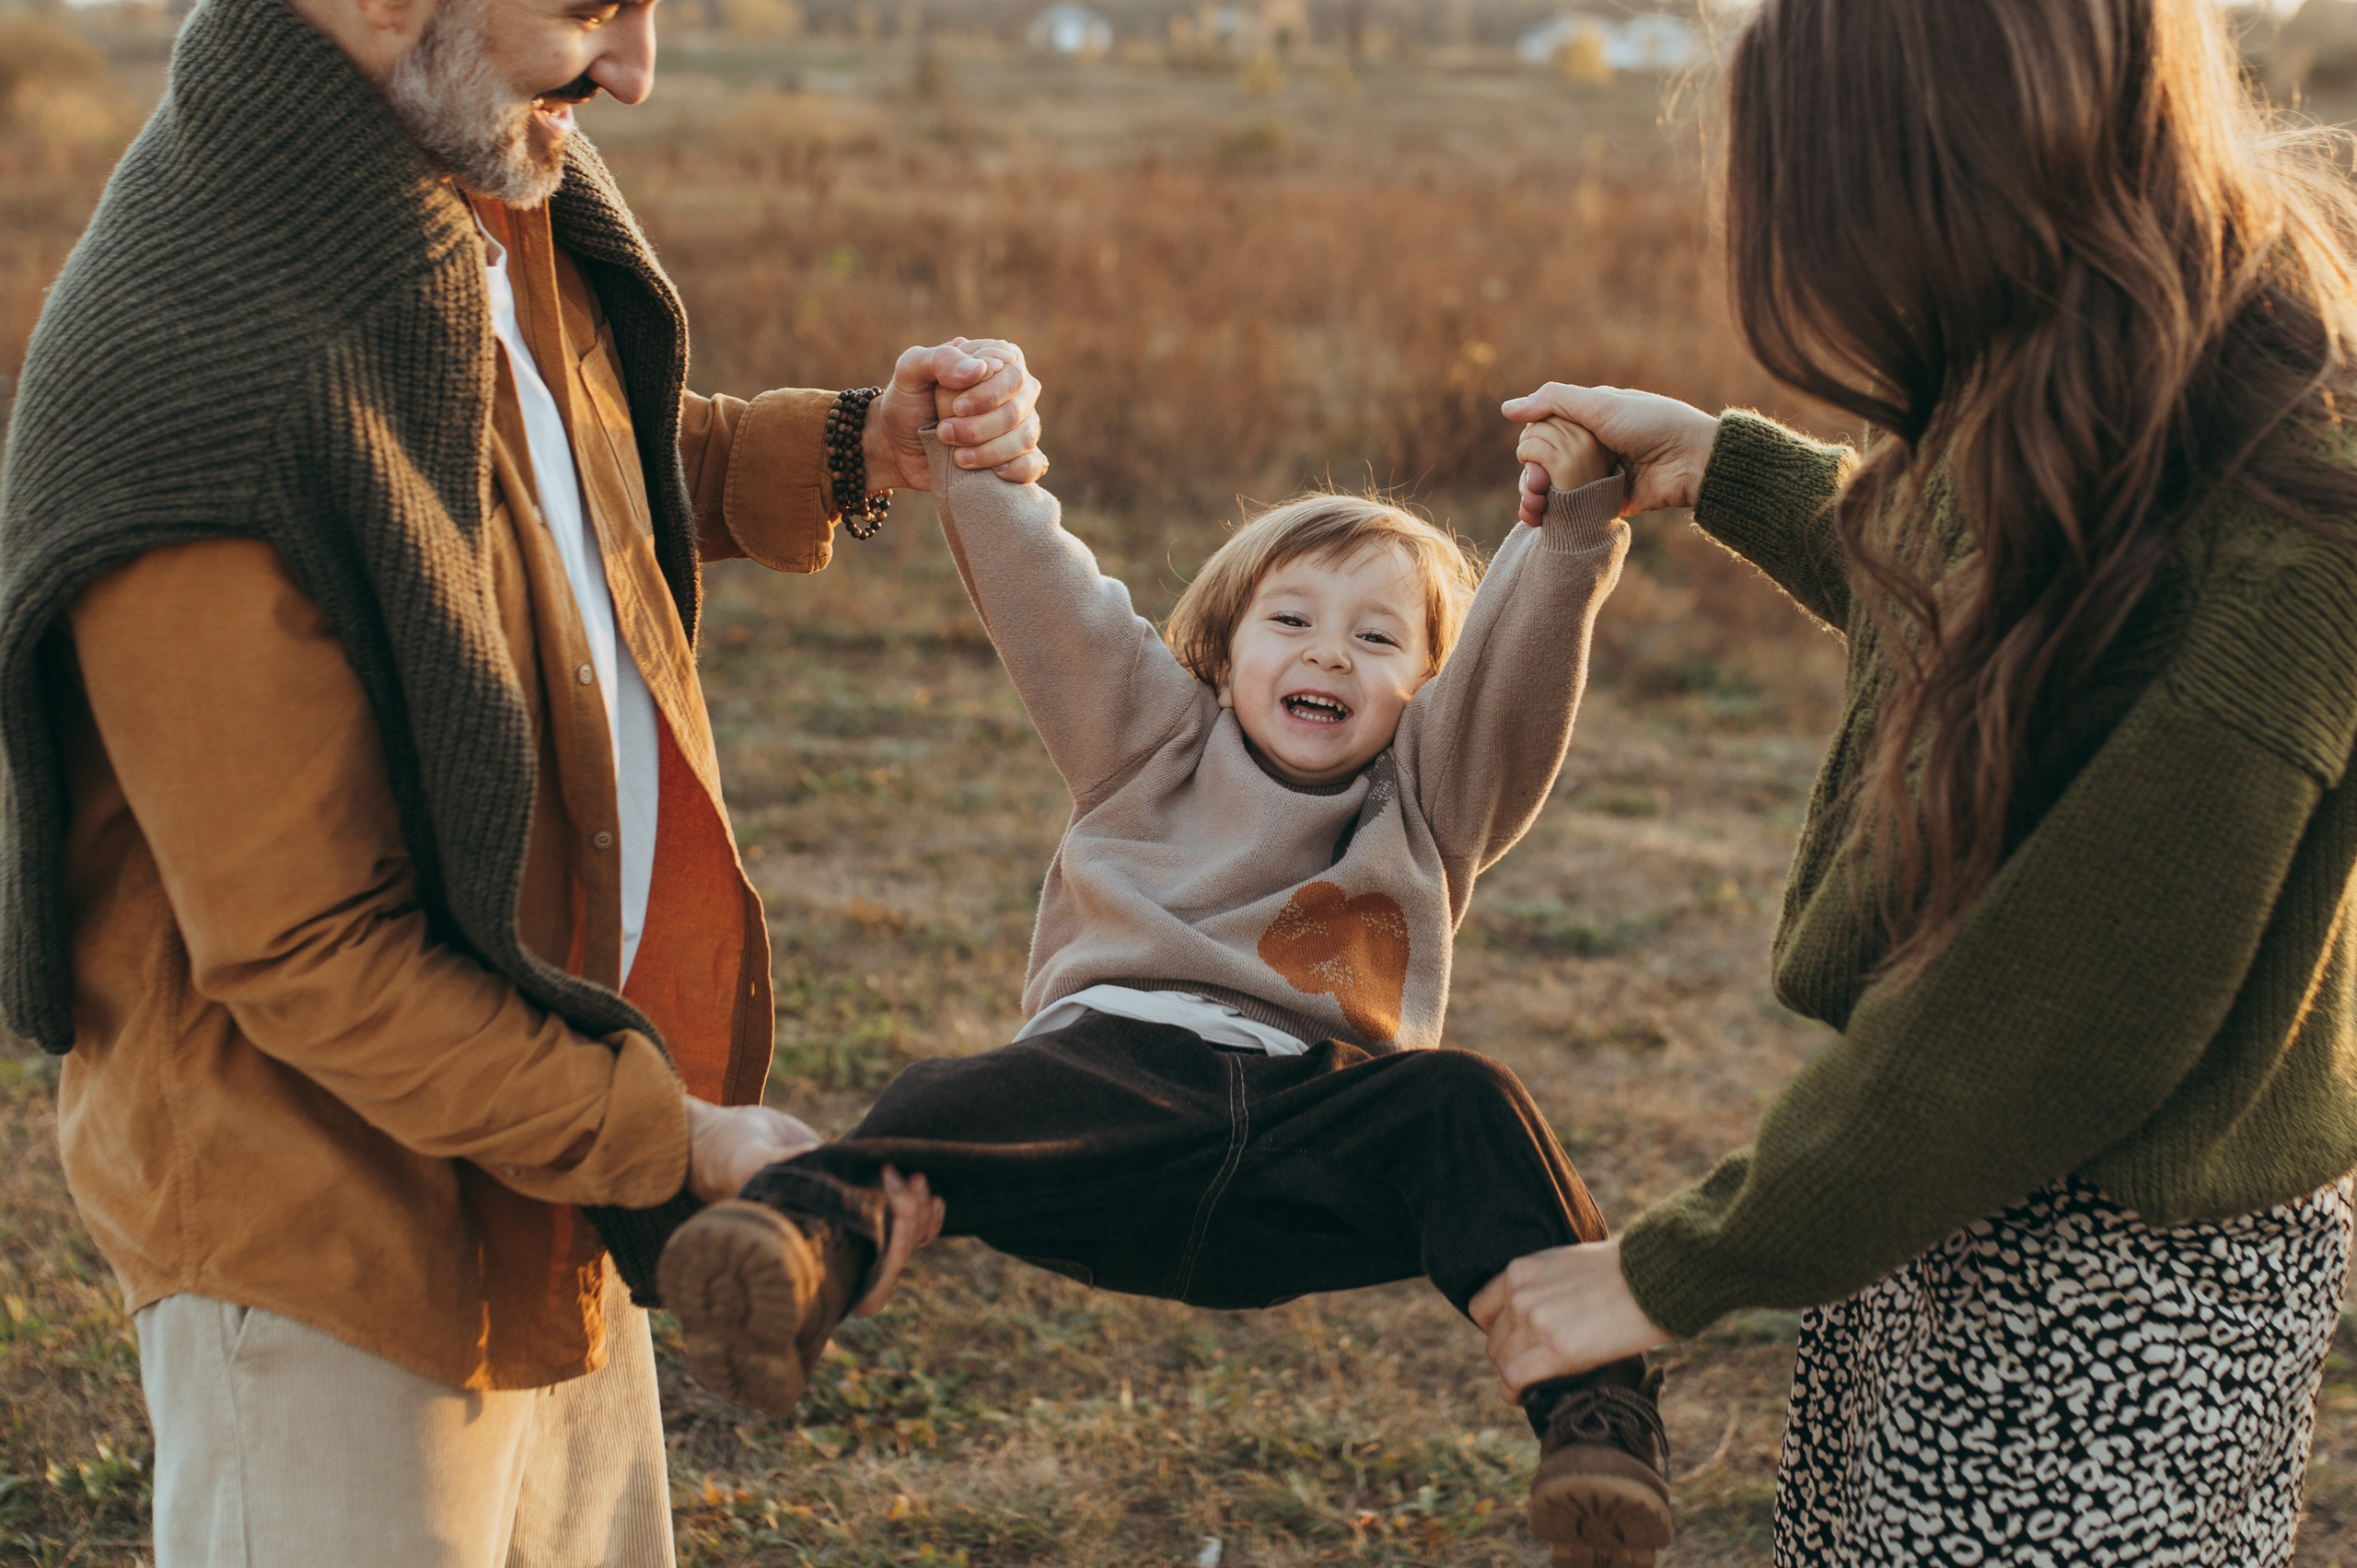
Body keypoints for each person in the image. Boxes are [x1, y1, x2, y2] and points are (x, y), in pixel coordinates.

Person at [0, 0, 1037, 1556]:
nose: (634, 69)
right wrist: (676, 1139)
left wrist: (843, 449)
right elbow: (304, 951)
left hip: (547, 1148)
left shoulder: (459, 168)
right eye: (590, 6)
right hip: (331, 1250)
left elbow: (550, 466)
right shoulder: (203, 373)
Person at [1473, 1, 2357, 1563]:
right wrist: (1729, 467)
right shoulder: (2103, 365)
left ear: (1958, 190)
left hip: (2121, 1290)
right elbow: (2015, 606)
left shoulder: (2290, 514)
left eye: (1838, 235)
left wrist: (1673, 1265)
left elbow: (2050, 1009)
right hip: (1944, 1186)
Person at [640, 411, 1684, 1567]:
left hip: (1307, 1139)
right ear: (1223, 650)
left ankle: (1600, 1428)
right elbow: (1055, 602)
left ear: (1430, 690)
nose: (1330, 653)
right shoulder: (1149, 738)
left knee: (1470, 1105)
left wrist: (1575, 520)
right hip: (1102, 1102)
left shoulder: (1428, 800)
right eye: (1291, 621)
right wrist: (970, 456)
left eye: (1379, 639)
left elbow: (1520, 671)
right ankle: (797, 1253)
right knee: (945, 1094)